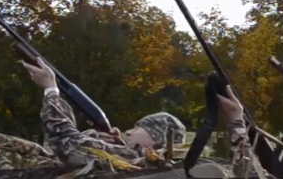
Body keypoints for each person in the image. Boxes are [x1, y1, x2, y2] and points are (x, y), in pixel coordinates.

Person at [20, 58, 186, 169]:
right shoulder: (141, 161)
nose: (128, 131)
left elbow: (65, 141)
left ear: (157, 138)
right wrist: (98, 138)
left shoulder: (137, 156)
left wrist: (51, 89)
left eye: (139, 128)